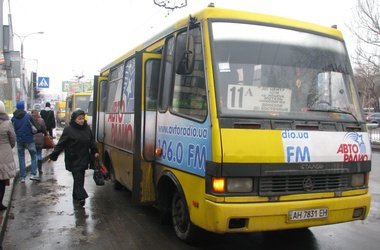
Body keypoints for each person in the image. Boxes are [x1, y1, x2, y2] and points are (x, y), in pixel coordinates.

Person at [48, 109, 98, 207]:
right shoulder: (68, 130)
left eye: (83, 118)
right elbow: (60, 145)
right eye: (79, 119)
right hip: (73, 158)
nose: (81, 120)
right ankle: (81, 197)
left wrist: (95, 151)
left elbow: (91, 141)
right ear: (74, 119)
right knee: (78, 178)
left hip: (84, 158)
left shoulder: (87, 129)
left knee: (80, 178)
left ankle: (75, 196)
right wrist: (53, 156)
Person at [11, 101, 40, 182]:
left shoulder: (13, 118)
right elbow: (36, 127)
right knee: (34, 156)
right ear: (23, 107)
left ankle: (22, 177)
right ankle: (33, 174)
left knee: (21, 157)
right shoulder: (28, 116)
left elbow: (12, 130)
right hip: (29, 139)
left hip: (19, 140)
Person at [0, 101, 17, 210]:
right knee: (2, 180)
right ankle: (0, 203)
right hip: (4, 154)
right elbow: (13, 139)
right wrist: (8, 147)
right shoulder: (7, 123)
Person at [31, 109, 47, 175]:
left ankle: (33, 170)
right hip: (40, 138)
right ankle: (40, 169)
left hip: (32, 138)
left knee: (33, 155)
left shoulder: (30, 120)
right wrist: (46, 134)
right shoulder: (41, 120)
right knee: (39, 154)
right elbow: (44, 129)